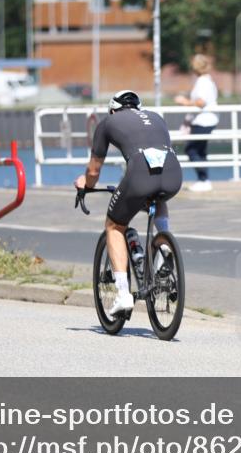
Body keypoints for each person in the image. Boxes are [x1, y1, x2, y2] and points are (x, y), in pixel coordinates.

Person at [75, 90, 183, 317]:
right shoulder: (156, 117)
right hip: (173, 174)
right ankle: (164, 244)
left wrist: (85, 183)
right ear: (138, 107)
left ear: (113, 110)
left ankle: (123, 294)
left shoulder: (107, 123)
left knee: (114, 226)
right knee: (158, 195)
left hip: (139, 175)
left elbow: (94, 171)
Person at [174, 53, 218, 191]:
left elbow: (201, 102)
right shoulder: (206, 80)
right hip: (204, 119)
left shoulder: (203, 82)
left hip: (203, 121)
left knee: (192, 149)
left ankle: (203, 179)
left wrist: (184, 101)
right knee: (200, 150)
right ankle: (203, 180)